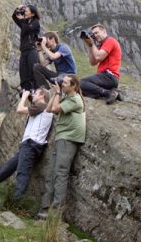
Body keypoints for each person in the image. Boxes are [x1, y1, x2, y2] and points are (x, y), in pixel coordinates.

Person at [36, 75, 86, 219]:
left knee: (61, 174)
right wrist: (56, 93)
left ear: (74, 86)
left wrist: (58, 93)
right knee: (52, 173)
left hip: (69, 138)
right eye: (62, 82)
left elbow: (56, 108)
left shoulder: (75, 99)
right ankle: (44, 209)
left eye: (65, 83)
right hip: (62, 137)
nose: (62, 84)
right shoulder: (67, 98)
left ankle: (56, 213)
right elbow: (49, 109)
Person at [80, 23, 122, 104]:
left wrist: (92, 44)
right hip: (105, 77)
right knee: (84, 91)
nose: (95, 35)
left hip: (109, 75)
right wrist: (89, 45)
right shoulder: (101, 46)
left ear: (104, 31)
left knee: (82, 82)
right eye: (93, 34)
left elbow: (99, 57)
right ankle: (111, 91)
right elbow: (93, 62)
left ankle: (108, 93)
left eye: (97, 33)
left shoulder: (110, 41)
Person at [12, 4, 41, 92]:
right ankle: (25, 89)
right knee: (23, 71)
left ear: (32, 14)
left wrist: (22, 20)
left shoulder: (35, 22)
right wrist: (18, 8)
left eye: (26, 11)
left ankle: (35, 89)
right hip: (24, 50)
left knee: (32, 70)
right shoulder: (25, 22)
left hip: (31, 50)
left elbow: (28, 28)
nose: (25, 12)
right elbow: (14, 17)